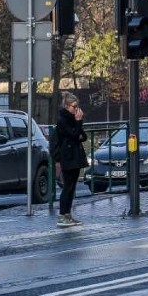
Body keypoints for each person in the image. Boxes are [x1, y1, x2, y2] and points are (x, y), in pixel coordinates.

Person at [54, 92, 88, 228]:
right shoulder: (63, 119)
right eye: (74, 106)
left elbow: (83, 136)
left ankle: (68, 214)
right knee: (67, 186)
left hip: (75, 155)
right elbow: (74, 135)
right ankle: (62, 215)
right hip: (68, 156)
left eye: (77, 106)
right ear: (67, 106)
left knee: (72, 186)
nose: (77, 109)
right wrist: (78, 122)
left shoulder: (72, 118)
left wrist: (78, 124)